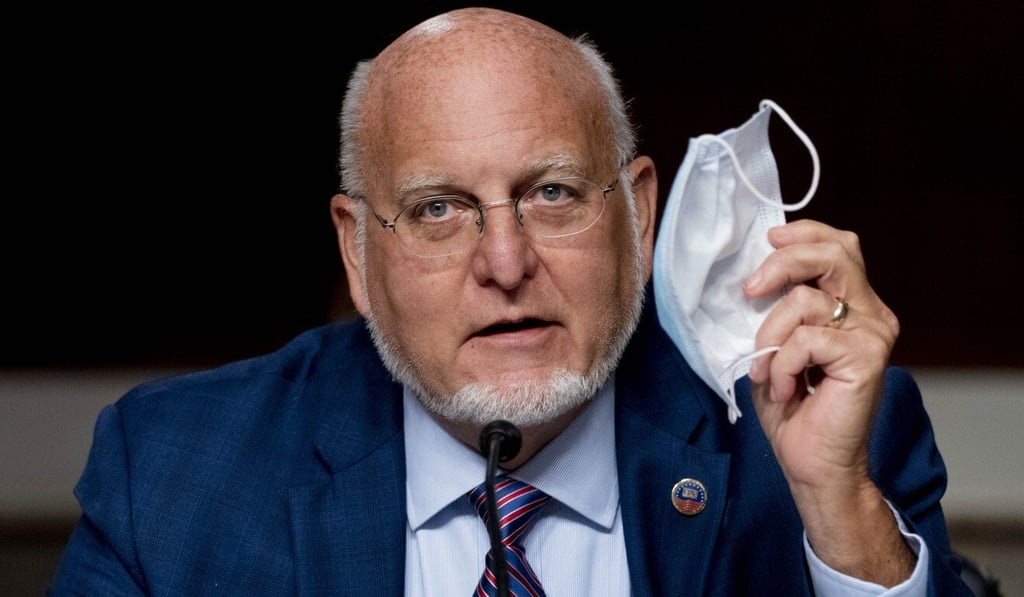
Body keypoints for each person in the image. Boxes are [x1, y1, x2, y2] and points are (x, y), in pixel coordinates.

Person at [49, 7, 973, 596]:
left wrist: (839, 513)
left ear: (640, 215)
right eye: (438, 208)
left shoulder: (836, 437)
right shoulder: (172, 475)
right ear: (358, 252)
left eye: (553, 194)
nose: (504, 260)